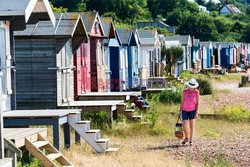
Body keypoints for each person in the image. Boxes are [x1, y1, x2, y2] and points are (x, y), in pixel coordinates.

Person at [179, 78, 199, 146]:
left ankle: (191, 140)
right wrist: (180, 110)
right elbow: (182, 101)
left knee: (191, 126)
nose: (191, 88)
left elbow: (197, 103)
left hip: (192, 110)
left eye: (192, 87)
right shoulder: (185, 91)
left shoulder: (196, 92)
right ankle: (186, 137)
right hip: (184, 110)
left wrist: (196, 112)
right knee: (184, 124)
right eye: (190, 86)